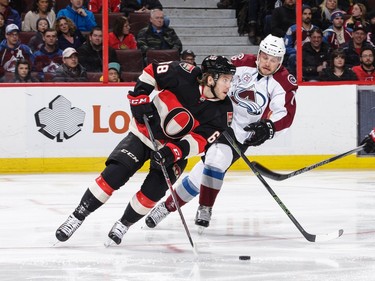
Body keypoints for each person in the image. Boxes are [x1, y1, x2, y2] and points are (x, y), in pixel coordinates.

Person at [55, 55, 236, 245]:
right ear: (210, 79)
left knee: (153, 192)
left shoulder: (223, 111)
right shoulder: (184, 72)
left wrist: (173, 152)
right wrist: (140, 97)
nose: (228, 85)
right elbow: (151, 72)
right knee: (114, 175)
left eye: (230, 80)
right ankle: (77, 217)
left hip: (173, 152)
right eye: (225, 79)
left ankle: (123, 224)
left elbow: (200, 140)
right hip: (144, 134)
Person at [145, 34, 298, 231]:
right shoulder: (242, 62)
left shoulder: (284, 82)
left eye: (274, 60)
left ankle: (185, 207)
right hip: (214, 119)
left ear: (281, 61)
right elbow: (217, 78)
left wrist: (268, 128)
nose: (268, 63)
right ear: (259, 53)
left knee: (209, 167)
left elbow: (285, 115)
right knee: (202, 168)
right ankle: (171, 206)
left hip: (240, 134)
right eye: (265, 57)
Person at [284, 5, 317, 76]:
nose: (307, 16)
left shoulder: (316, 29)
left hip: (313, 54)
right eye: (305, 14)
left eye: (309, 14)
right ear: (300, 15)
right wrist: (299, 52)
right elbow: (286, 48)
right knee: (292, 57)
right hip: (297, 55)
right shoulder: (292, 29)